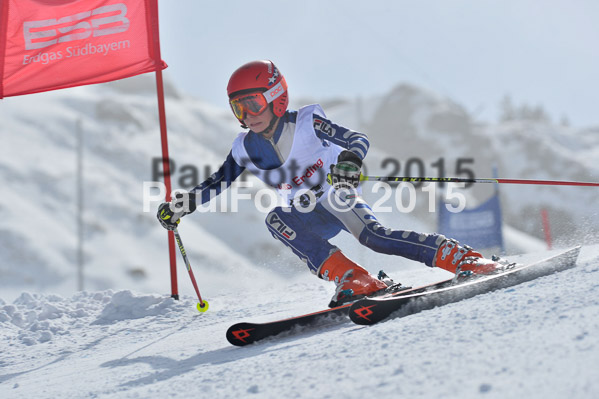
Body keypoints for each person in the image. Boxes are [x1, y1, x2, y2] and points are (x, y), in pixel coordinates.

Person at [157, 60, 497, 307]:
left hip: (338, 193)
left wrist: (349, 163)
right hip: (306, 212)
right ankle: (354, 278)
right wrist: (181, 205)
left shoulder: (307, 122)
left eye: (253, 103)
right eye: (238, 108)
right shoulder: (245, 147)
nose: (247, 115)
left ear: (276, 96)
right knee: (276, 219)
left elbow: (356, 139)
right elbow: (219, 181)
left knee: (375, 238)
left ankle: (460, 257)